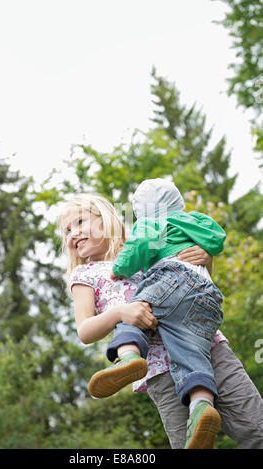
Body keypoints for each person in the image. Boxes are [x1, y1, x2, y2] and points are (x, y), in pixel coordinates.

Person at [58, 192, 263, 449]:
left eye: (79, 223)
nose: (72, 234)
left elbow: (192, 283)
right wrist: (121, 313)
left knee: (257, 427)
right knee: (188, 443)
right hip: (158, 370)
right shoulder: (85, 275)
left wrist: (205, 259)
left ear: (106, 220)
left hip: (208, 349)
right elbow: (85, 330)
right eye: (66, 231)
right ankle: (129, 360)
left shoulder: (146, 246)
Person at [88, 178, 226, 448]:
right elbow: (217, 238)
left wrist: (120, 268)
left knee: (134, 311)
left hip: (172, 279)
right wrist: (208, 253)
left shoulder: (152, 223)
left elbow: (140, 245)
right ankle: (201, 407)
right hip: (208, 297)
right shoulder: (195, 220)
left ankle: (128, 358)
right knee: (193, 352)